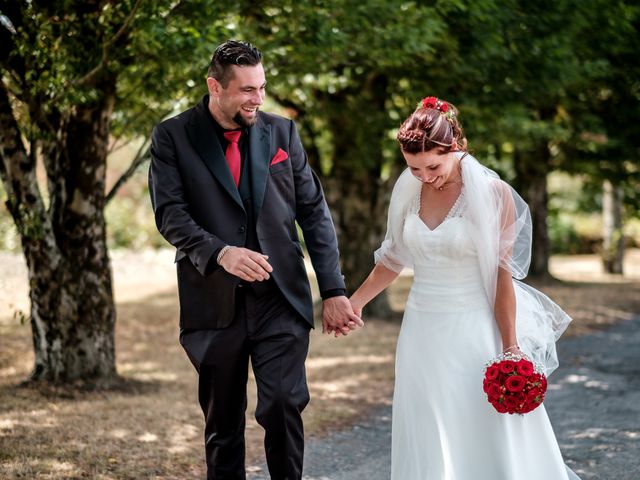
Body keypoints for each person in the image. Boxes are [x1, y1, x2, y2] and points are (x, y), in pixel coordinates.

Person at [148, 40, 362, 480]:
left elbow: (315, 214)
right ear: (215, 86)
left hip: (280, 298)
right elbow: (170, 215)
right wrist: (221, 253)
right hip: (213, 302)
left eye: (262, 88)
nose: (258, 99)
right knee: (223, 425)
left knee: (284, 404)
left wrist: (334, 290)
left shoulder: (282, 133)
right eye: (247, 90)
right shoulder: (172, 136)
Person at [348, 96, 581, 479]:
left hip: (474, 329)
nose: (425, 176)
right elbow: (393, 258)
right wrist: (353, 304)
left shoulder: (491, 192)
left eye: (433, 165)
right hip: (422, 332)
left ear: (455, 148)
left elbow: (500, 275)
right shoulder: (408, 188)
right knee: (427, 422)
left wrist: (510, 346)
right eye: (414, 167)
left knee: (482, 427)